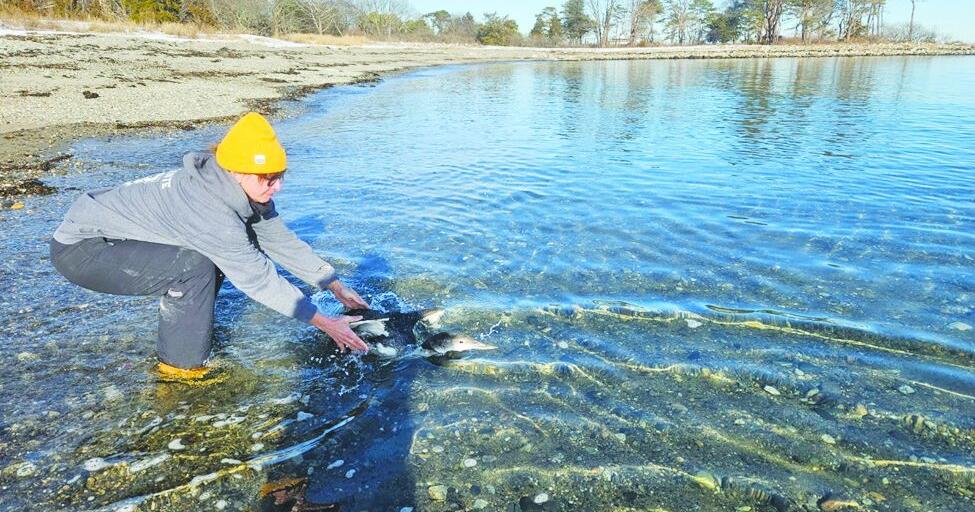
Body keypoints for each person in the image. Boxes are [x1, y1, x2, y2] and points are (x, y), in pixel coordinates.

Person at [50, 112, 370, 380]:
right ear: (235, 171)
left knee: (204, 261)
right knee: (195, 267)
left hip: (114, 233)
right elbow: (259, 280)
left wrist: (334, 285)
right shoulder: (209, 209)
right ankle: (179, 372)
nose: (278, 186)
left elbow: (280, 239)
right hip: (83, 249)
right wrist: (328, 325)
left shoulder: (237, 188)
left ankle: (190, 331)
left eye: (280, 176)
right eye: (267, 178)